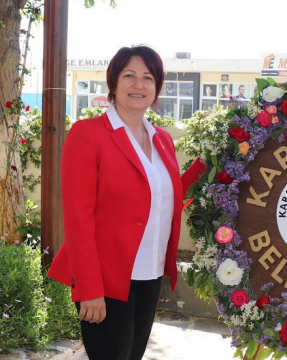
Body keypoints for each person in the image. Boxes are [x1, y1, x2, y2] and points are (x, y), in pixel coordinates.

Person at [48, 45, 206, 360]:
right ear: (114, 83)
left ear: (157, 87)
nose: (139, 85)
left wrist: (207, 164)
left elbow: (168, 198)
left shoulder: (161, 138)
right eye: (129, 75)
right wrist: (89, 289)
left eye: (148, 77)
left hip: (150, 272)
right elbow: (78, 217)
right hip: (105, 277)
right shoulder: (88, 134)